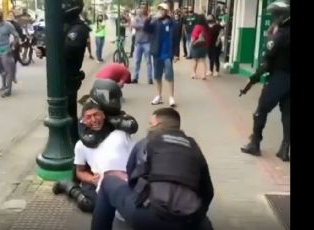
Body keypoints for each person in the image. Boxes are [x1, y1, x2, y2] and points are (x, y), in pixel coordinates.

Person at [91, 108, 214, 230]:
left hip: (150, 217)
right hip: (189, 221)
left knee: (107, 182)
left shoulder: (147, 142)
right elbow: (208, 192)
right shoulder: (194, 147)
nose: (149, 126)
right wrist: (198, 217)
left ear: (157, 124)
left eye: (151, 123)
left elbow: (132, 178)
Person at [53, 79, 138, 213]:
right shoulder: (81, 145)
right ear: (83, 120)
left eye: (96, 115)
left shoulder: (121, 134)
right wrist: (91, 179)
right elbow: (80, 171)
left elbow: (137, 155)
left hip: (123, 180)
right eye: (88, 117)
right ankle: (68, 186)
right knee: (89, 205)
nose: (93, 120)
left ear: (104, 115)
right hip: (98, 181)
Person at [241, 0, 290, 162]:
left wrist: (253, 78)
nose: (274, 18)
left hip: (279, 77)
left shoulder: (280, 35)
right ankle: (285, 149)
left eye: (275, 15)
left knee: (261, 111)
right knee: (287, 114)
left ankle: (255, 144)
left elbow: (268, 61)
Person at [35, 0, 90, 144]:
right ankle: (70, 143)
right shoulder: (67, 26)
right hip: (60, 78)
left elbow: (68, 51)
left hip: (68, 78)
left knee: (68, 115)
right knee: (64, 113)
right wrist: (45, 50)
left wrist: (49, 49)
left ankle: (73, 144)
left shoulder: (78, 29)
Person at [144, 3, 176, 107]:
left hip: (167, 54)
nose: (161, 11)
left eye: (163, 10)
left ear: (167, 11)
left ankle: (171, 97)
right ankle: (159, 95)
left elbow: (176, 37)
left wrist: (176, 54)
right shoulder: (155, 22)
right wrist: (148, 19)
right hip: (157, 53)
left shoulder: (172, 23)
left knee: (169, 75)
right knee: (157, 76)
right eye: (160, 10)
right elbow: (147, 29)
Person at [131, 5, 153, 84]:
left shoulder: (149, 18)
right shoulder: (136, 18)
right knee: (137, 61)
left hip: (147, 42)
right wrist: (143, 25)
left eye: (144, 8)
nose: (142, 9)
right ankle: (135, 77)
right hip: (139, 42)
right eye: (141, 8)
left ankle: (150, 78)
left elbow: (151, 27)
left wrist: (144, 25)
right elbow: (133, 25)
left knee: (148, 61)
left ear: (146, 9)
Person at [190, 14, 209, 80]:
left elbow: (193, 37)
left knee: (195, 61)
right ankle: (204, 75)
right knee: (203, 61)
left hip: (197, 45)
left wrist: (193, 43)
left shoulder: (197, 26)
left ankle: (193, 74)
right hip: (204, 46)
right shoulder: (206, 27)